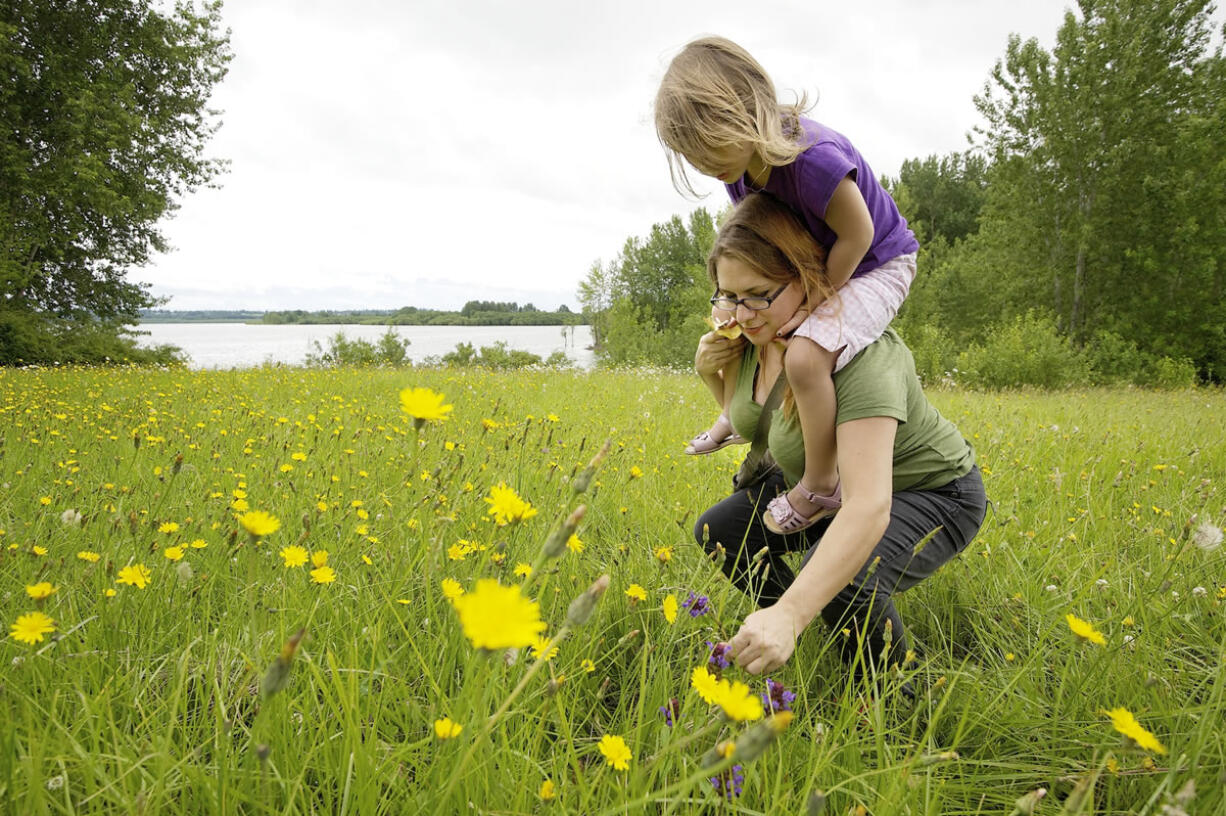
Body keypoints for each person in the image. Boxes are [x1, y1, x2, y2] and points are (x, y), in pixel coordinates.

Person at [693, 193, 986, 685]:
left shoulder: (861, 355)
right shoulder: (750, 342)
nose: (741, 314)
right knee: (719, 532)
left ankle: (896, 707)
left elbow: (870, 506)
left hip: (930, 491)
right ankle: (817, 631)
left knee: (847, 584)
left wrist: (792, 611)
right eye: (728, 295)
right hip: (825, 489)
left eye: (759, 293)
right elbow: (748, 422)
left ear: (808, 278)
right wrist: (710, 374)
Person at [657, 35, 918, 535]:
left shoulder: (812, 159)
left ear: (747, 109)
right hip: (824, 257)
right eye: (690, 156)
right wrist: (737, 303)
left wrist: (815, 303)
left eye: (710, 145)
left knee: (804, 354)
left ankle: (822, 483)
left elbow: (859, 234)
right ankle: (735, 420)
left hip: (878, 261)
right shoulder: (738, 170)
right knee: (747, 325)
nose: (706, 166)